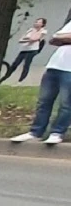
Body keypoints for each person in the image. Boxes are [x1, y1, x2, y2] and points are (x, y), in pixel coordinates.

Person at [10, 10, 71, 146]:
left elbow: (60, 38)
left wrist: (63, 39)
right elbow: (55, 37)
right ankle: (36, 132)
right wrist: (64, 38)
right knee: (44, 101)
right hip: (54, 66)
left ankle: (57, 132)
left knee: (66, 104)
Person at [2, 17, 49, 83]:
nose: (36, 23)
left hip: (32, 50)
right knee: (15, 63)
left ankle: (21, 80)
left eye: (39, 22)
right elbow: (21, 39)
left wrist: (29, 38)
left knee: (26, 64)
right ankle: (6, 76)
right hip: (24, 49)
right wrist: (28, 39)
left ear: (43, 24)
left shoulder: (43, 31)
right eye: (36, 21)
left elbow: (35, 38)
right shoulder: (30, 30)